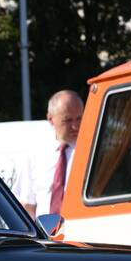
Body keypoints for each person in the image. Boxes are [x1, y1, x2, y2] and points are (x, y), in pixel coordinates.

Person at [20, 89, 84, 218]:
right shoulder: (36, 155)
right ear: (50, 119)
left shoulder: (90, 151)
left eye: (79, 118)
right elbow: (28, 204)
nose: (75, 126)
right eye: (67, 120)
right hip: (45, 235)